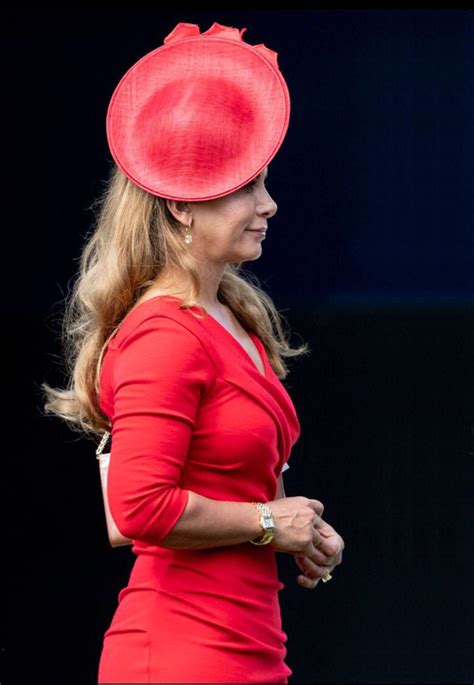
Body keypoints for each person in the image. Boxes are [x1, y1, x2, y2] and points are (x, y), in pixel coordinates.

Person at [42, 21, 345, 684]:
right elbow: (139, 506)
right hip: (181, 654)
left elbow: (238, 484)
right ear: (181, 204)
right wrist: (272, 520)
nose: (269, 203)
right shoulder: (164, 335)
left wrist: (299, 529)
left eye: (263, 181)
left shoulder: (232, 315)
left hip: (248, 646)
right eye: (246, 186)